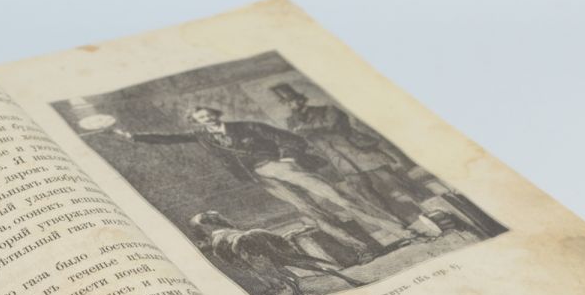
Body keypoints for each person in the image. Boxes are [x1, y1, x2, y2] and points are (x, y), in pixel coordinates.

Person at [113, 106, 415, 260]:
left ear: (215, 114)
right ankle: (361, 249)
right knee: (310, 212)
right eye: (198, 119)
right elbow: (168, 138)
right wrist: (132, 137)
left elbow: (289, 138)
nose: (204, 120)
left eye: (206, 115)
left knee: (339, 198)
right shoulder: (203, 136)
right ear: (196, 123)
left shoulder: (247, 126)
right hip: (259, 177)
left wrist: (287, 157)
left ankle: (400, 230)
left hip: (280, 167)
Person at [271, 83, 426, 226]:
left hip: (358, 151)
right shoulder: (292, 122)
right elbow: (299, 138)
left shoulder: (327, 110)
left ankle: (428, 206)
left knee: (391, 179)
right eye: (286, 103)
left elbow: (333, 126)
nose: (290, 105)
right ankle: (397, 221)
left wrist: (306, 129)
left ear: (300, 99)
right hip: (338, 160)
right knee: (364, 191)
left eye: (291, 101)